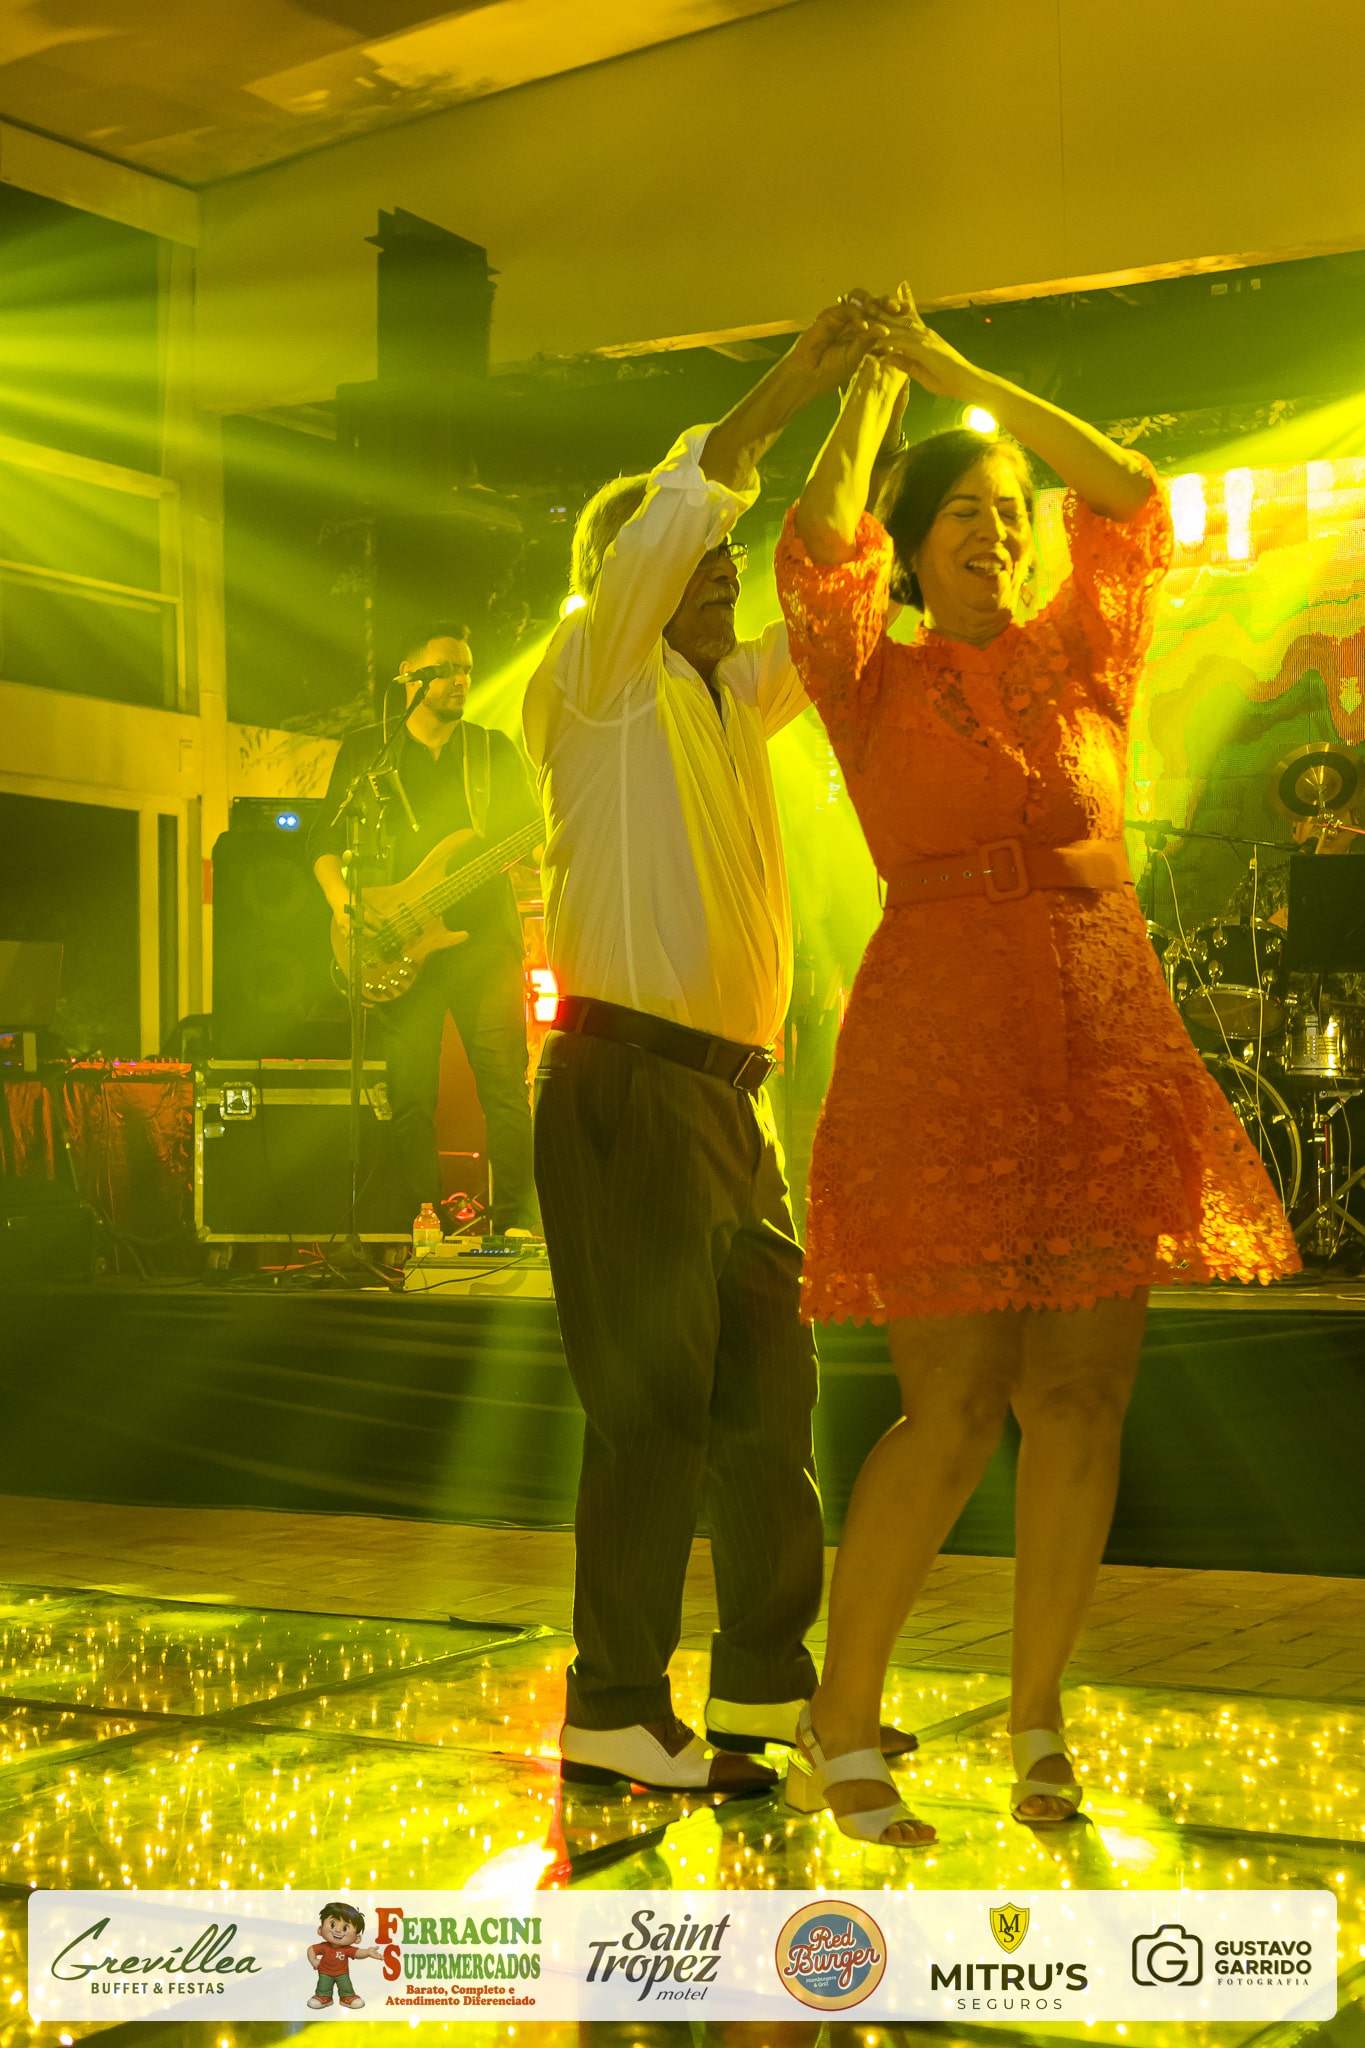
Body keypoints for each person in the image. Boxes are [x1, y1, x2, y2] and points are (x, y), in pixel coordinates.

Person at [772, 285, 1301, 1846]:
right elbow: (815, 542)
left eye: (1011, 515)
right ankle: (839, 1715)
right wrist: (877, 386)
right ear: (911, 542)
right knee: (950, 1410)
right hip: (939, 1048)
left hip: (1098, 1041)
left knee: (1080, 1396)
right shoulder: (868, 678)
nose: (998, 533)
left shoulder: (1086, 655)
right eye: (966, 514)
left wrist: (962, 369)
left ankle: (1034, 1719)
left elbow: (1129, 498)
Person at [524, 299, 917, 1795]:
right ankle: (615, 1703)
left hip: (731, 1105)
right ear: (626, 577)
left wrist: (867, 403)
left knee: (769, 1404)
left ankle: (762, 1678)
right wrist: (791, 379)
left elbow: (831, 596)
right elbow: (700, 492)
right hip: (627, 1084)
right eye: (694, 556)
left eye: (720, 562)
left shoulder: (722, 697)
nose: (721, 565)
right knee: (652, 1411)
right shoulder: (594, 673)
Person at [310, 626, 541, 1236]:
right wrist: (342, 902)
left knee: (505, 1091)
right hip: (397, 940)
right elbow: (323, 841)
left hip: (485, 945)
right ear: (409, 676)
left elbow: (533, 837)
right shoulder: (369, 751)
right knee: (409, 1096)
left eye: (466, 669)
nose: (460, 680)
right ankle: (424, 1226)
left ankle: (512, 1228)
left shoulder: (491, 750)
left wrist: (559, 840)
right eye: (446, 669)